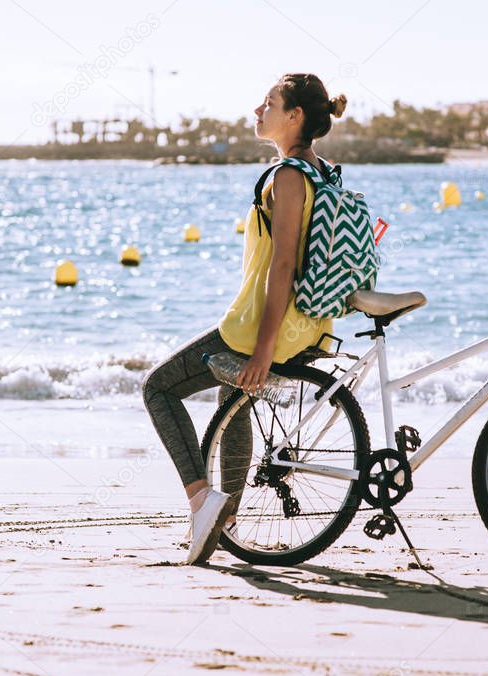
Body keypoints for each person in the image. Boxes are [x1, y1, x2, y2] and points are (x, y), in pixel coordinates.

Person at [141, 73, 347, 564]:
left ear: (294, 117)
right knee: (232, 401)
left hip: (262, 326)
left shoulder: (289, 177)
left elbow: (282, 267)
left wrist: (261, 349)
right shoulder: (323, 170)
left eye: (269, 103)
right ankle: (225, 521)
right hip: (308, 324)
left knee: (158, 388)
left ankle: (201, 500)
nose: (258, 110)